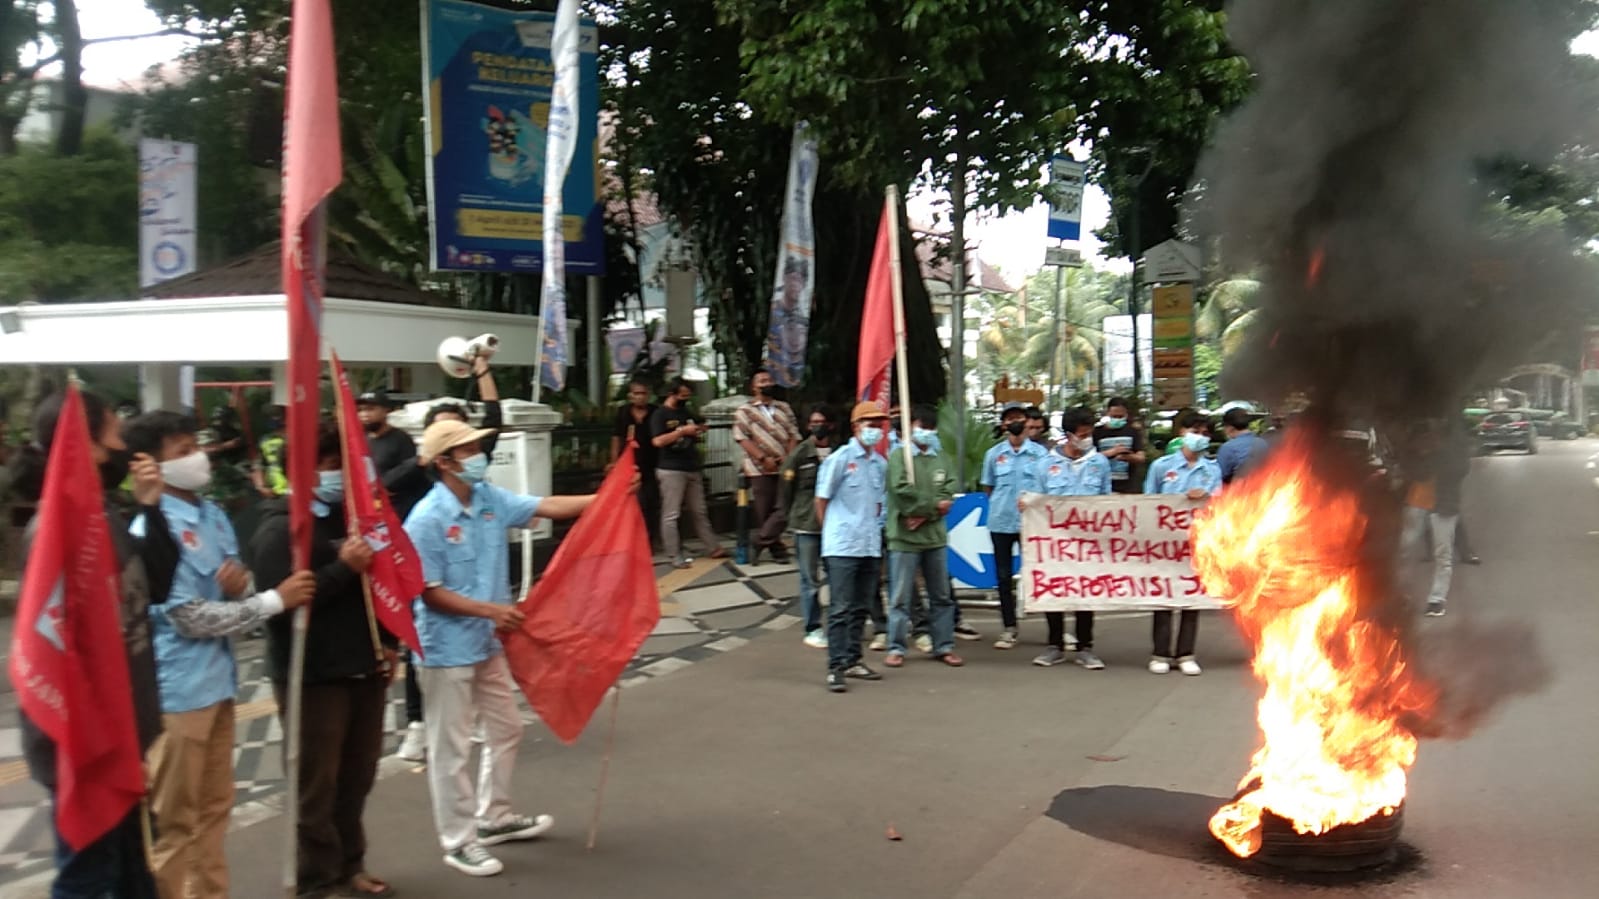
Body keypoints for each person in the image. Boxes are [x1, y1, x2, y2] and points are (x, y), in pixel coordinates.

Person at [403, 419, 610, 877]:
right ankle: (458, 841)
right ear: (444, 462)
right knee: (451, 749)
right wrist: (490, 611)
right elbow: (428, 592)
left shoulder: (489, 498)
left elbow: (546, 505)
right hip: (446, 649)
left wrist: (606, 498)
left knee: (506, 728)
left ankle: (493, 817)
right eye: (468, 449)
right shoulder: (426, 519)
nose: (479, 454)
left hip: (487, 642)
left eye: (477, 446)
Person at [123, 410, 315, 899]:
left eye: (197, 444)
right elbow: (187, 616)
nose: (199, 457)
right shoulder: (152, 528)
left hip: (218, 684)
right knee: (173, 823)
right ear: (149, 465)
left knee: (213, 811)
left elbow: (234, 584)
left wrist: (246, 590)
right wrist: (272, 601)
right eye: (183, 450)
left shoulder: (211, 515)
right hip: (177, 694)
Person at [13, 389, 179, 899]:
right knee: (88, 875)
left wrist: (151, 509)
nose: (121, 445)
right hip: (87, 739)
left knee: (131, 869)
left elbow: (151, 587)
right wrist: (98, 734)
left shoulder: (102, 515)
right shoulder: (57, 530)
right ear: (85, 443)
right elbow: (58, 646)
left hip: (119, 729)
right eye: (112, 432)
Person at [249, 420, 396, 898]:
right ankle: (317, 880)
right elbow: (282, 608)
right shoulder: (281, 530)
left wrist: (388, 643)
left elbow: (379, 586)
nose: (341, 475)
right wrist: (342, 569)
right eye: (332, 465)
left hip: (363, 666)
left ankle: (351, 864)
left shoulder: (351, 518)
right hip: (313, 677)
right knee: (317, 785)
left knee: (357, 777)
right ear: (304, 469)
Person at [1030, 407, 1112, 669]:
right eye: (1082, 435)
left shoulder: (1099, 463)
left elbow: (1107, 499)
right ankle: (1054, 645)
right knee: (1054, 589)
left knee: (1086, 591)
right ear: (1069, 435)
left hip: (1089, 540)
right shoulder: (1045, 465)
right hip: (1054, 541)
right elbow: (1035, 500)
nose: (1087, 439)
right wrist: (1027, 505)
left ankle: (1085, 646)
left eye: (1089, 434)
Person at [817, 402, 891, 693]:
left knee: (861, 606)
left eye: (879, 425)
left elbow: (880, 502)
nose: (875, 430)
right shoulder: (840, 459)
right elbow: (821, 499)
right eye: (870, 424)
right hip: (842, 546)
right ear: (856, 427)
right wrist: (830, 534)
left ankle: (853, 660)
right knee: (840, 608)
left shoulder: (879, 464)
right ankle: (835, 667)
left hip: (869, 544)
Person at [884, 405, 964, 669]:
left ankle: (944, 645)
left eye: (930, 428)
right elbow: (900, 491)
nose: (926, 433)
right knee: (900, 597)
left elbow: (949, 490)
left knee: (941, 595)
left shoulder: (942, 458)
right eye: (921, 427)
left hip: (935, 538)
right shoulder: (899, 457)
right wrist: (932, 507)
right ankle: (896, 647)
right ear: (910, 427)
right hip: (904, 538)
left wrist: (926, 514)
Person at [1143, 420, 1221, 676]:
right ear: (1183, 433)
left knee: (1191, 599)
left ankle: (1186, 653)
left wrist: (1205, 497)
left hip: (1197, 541)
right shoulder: (1161, 466)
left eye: (1205, 433)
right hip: (1164, 544)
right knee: (1163, 598)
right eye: (1196, 432)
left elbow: (1220, 503)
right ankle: (1160, 653)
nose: (1201, 437)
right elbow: (1148, 502)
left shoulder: (1212, 469)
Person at [980, 401, 1047, 650]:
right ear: (1003, 424)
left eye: (1019, 417)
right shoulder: (994, 454)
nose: (1014, 422)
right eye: (1010, 419)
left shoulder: (1040, 454)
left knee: (1041, 573)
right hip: (1001, 520)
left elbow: (1047, 486)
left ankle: (1055, 632)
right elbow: (988, 487)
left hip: (1032, 523)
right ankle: (1009, 627)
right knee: (1003, 576)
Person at [650, 378, 727, 568]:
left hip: (691, 466)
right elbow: (657, 441)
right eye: (682, 395)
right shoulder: (660, 414)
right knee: (672, 513)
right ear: (672, 394)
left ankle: (713, 547)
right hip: (671, 468)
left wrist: (698, 430)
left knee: (699, 510)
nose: (686, 399)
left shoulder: (685, 411)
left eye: (688, 395)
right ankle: (674, 553)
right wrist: (682, 432)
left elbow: (701, 424)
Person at [781, 403, 839, 649]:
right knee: (810, 580)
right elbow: (786, 489)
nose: (818, 426)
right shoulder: (800, 453)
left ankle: (838, 624)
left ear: (831, 425)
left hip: (835, 525)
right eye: (814, 422)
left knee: (837, 576)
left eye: (822, 422)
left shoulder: (839, 452)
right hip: (806, 525)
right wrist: (792, 517)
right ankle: (813, 627)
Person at [1401, 418, 1473, 617]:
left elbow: (1462, 468)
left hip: (1445, 504)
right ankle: (1402, 596)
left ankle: (1436, 600)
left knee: (1443, 554)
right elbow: (1413, 469)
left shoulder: (1453, 441)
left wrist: (1438, 454)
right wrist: (1422, 454)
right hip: (1416, 502)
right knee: (1404, 551)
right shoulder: (1417, 434)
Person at [733, 369, 802, 564]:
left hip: (784, 465)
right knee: (764, 511)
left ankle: (758, 541)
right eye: (762, 381)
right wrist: (763, 458)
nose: (767, 383)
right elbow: (742, 437)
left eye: (770, 380)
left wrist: (789, 458)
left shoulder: (784, 407)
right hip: (758, 468)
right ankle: (776, 549)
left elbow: (794, 434)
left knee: (784, 507)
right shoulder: (744, 410)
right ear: (754, 387)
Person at [359, 389, 429, 521]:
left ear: (386, 410)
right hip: (369, 507)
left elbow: (411, 472)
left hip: (397, 508)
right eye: (361, 410)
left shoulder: (400, 439)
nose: (365, 414)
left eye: (370, 409)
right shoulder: (360, 440)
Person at [609, 378, 661, 547]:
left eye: (643, 393)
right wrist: (614, 461)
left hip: (652, 463)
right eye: (636, 393)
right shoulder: (623, 412)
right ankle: (632, 539)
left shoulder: (655, 412)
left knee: (651, 502)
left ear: (648, 395)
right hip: (629, 463)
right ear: (630, 395)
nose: (640, 397)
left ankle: (649, 540)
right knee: (634, 502)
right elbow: (617, 437)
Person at [1094, 396, 1147, 494]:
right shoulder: (1097, 432)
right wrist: (1111, 452)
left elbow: (1141, 458)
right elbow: (1089, 458)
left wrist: (1128, 457)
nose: (1117, 419)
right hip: (1103, 485)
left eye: (1120, 416)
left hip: (1128, 486)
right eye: (1114, 416)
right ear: (1108, 413)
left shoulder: (1133, 431)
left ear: (1126, 414)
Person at [1216, 407, 1268, 484]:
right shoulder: (1262, 443)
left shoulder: (1228, 448)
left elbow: (1219, 475)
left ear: (1230, 428)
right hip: (1265, 487)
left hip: (1239, 489)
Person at [251, 405, 288, 498]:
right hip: (277, 492)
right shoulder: (265, 440)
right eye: (271, 415)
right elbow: (258, 465)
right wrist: (261, 487)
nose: (274, 418)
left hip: (300, 490)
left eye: (277, 415)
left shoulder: (301, 436)